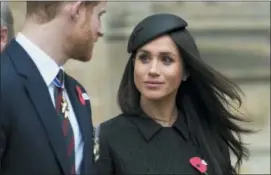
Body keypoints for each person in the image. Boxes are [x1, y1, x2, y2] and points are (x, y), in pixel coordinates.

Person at [95, 14, 252, 175]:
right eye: (144, 58)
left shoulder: (209, 135)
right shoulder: (108, 138)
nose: (153, 70)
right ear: (133, 65)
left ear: (185, 71)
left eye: (166, 60)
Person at [0, 1, 106, 175]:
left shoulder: (77, 95)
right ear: (77, 9)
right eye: (99, 15)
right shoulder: (5, 81)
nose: (101, 30)